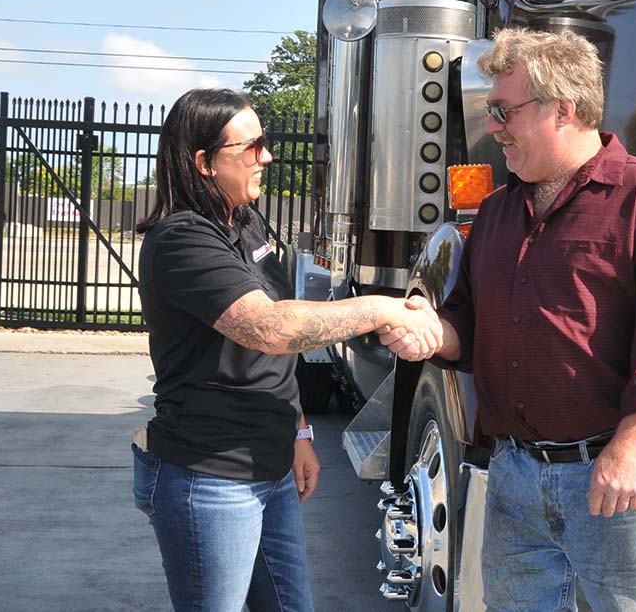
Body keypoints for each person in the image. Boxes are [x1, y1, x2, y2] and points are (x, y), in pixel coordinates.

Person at [385, 28, 636, 611]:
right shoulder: (496, 213)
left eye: (505, 110)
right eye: (492, 111)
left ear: (564, 107)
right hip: (515, 478)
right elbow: (468, 326)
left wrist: (631, 447)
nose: (493, 127)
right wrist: (428, 331)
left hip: (613, 477)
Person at [132, 88, 442, 612]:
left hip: (269, 466)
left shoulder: (244, 222)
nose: (267, 157)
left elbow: (278, 346)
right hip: (210, 478)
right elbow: (271, 328)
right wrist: (384, 308)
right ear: (204, 163)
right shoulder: (181, 240)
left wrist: (298, 429)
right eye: (251, 147)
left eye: (265, 142)